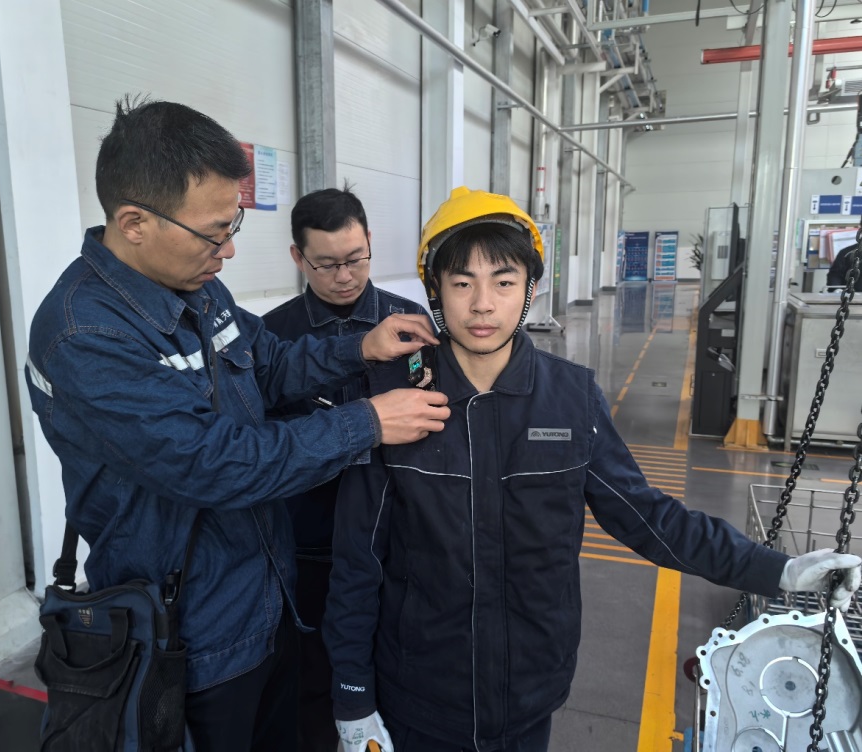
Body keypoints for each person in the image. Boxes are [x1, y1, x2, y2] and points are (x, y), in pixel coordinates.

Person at [323, 187, 862, 752]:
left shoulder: (570, 398)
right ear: (435, 290)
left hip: (529, 690)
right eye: (462, 283)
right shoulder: (395, 402)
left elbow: (649, 518)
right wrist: (353, 698)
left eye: (503, 282)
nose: (482, 304)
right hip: (420, 692)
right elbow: (357, 560)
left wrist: (779, 571)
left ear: (530, 289)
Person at [24, 97, 451, 752]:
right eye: (213, 232)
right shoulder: (85, 334)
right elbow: (214, 463)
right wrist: (367, 422)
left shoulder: (197, 286)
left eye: (234, 225)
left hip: (268, 599)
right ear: (134, 223)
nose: (227, 249)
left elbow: (269, 364)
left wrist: (359, 348)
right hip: (189, 635)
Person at [263, 185, 429, 751]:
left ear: (370, 243)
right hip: (310, 543)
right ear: (297, 257)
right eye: (327, 264)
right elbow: (266, 447)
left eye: (356, 258)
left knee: (397, 673)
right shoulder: (272, 339)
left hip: (396, 539)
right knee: (311, 683)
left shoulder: (410, 325)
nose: (345, 276)